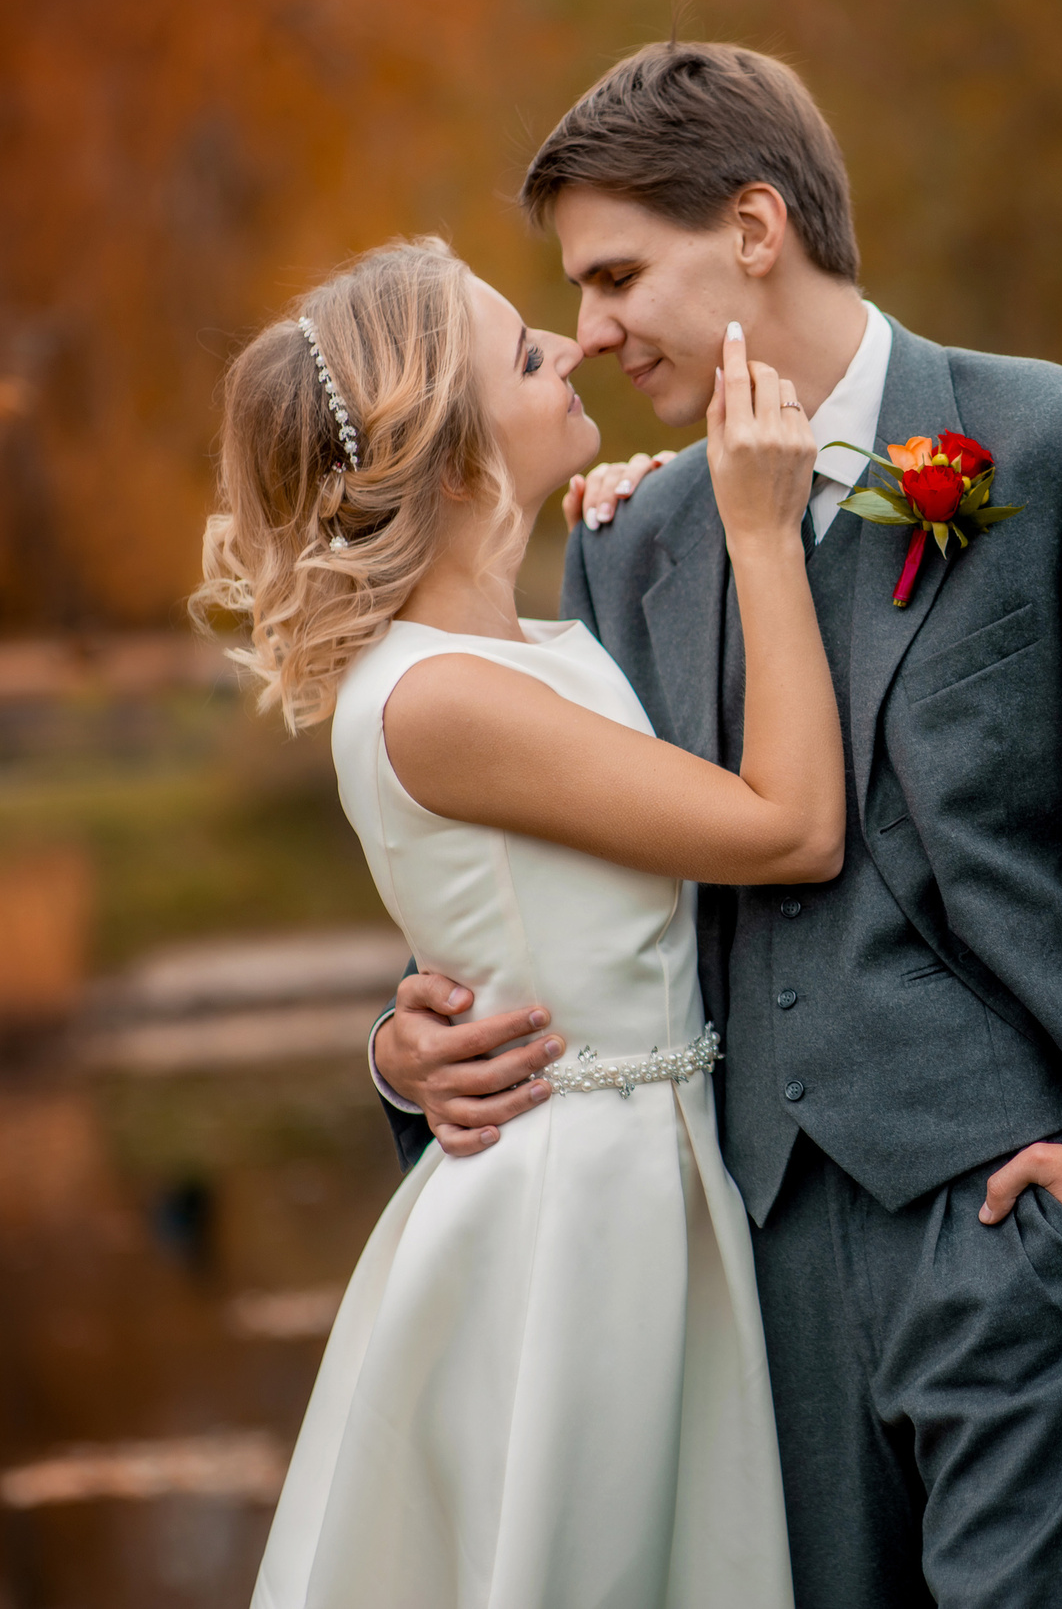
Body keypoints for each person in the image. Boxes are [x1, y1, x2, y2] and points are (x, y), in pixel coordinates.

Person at [368, 42, 1062, 1608]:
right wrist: (401, 1050)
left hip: (1027, 1236)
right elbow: (564, 875)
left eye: (614, 277)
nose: (589, 335)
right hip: (744, 1266)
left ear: (752, 226)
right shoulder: (633, 543)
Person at [197, 235, 831, 1607]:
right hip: (569, 1219)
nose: (578, 346)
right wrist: (764, 533)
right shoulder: (437, 700)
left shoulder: (525, 651)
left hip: (639, 1177)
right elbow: (788, 828)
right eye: (530, 354)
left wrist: (650, 509)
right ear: (459, 452)